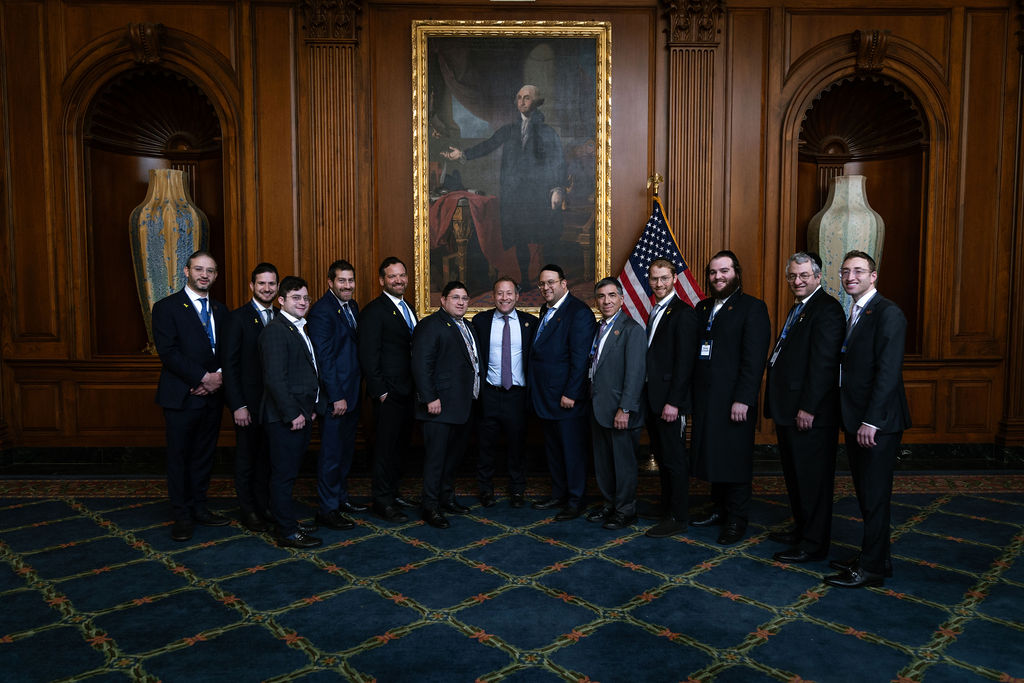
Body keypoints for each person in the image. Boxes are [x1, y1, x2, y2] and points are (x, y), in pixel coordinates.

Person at [824, 250, 911, 588]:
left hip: (877, 423)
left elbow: (888, 372)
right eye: (846, 271)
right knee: (866, 493)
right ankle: (877, 558)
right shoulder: (856, 311)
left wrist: (872, 421)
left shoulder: (888, 313)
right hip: (857, 417)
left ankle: (872, 568)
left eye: (859, 271)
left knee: (874, 496)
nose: (851, 277)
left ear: (873, 276)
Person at [764, 252, 845, 563]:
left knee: (812, 481)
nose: (797, 281)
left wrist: (809, 407)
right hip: (790, 408)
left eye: (804, 276)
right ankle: (802, 529)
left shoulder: (827, 309)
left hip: (810, 414)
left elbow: (824, 365)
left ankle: (813, 544)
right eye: (792, 276)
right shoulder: (801, 307)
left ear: (818, 277)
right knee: (796, 476)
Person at [442, 85, 566, 281]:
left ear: (536, 102)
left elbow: (558, 161)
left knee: (544, 237)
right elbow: (488, 145)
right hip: (514, 195)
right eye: (519, 97)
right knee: (520, 238)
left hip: (538, 195)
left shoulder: (547, 132)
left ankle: (551, 281)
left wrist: (557, 189)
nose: (522, 101)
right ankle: (525, 281)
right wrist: (463, 154)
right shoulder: (509, 130)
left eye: (527, 98)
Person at [690, 250, 771, 545]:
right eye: (713, 272)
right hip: (707, 399)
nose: (718, 277)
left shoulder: (753, 308)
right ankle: (719, 509)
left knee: (734, 458)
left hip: (735, 400)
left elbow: (754, 360)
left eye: (724, 271)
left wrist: (744, 398)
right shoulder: (702, 307)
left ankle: (737, 519)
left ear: (736, 273)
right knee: (714, 455)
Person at [152, 250, 230, 542]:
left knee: (203, 456)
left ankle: (200, 507)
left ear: (216, 275)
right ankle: (182, 515)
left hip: (212, 396)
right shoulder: (166, 307)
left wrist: (217, 378)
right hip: (182, 397)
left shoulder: (221, 310)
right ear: (186, 271)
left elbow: (226, 351)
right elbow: (168, 352)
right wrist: (202, 378)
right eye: (199, 269)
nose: (204, 275)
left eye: (210, 270)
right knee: (180, 458)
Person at [259, 276, 328, 548]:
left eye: (305, 298)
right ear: (281, 301)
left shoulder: (298, 328)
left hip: (302, 414)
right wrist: (293, 414)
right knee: (283, 475)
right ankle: (286, 531)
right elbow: (275, 379)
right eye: (296, 298)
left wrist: (310, 409)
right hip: (285, 419)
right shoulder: (276, 330)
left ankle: (286, 521)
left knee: (289, 473)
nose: (302, 302)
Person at [528, 264, 597, 521]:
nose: (546, 287)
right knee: (555, 451)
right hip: (546, 397)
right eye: (542, 284)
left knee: (572, 452)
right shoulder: (545, 310)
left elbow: (580, 359)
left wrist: (571, 393)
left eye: (551, 282)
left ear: (564, 283)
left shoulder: (578, 312)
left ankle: (576, 500)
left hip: (566, 399)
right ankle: (559, 494)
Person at [411, 281, 480, 528]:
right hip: (438, 408)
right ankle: (430, 507)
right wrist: (430, 398)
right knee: (436, 460)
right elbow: (421, 364)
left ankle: (446, 498)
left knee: (452, 458)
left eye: (464, 298)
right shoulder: (430, 325)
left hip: (461, 406)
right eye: (455, 298)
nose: (461, 302)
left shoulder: (467, 326)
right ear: (443, 300)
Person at [357, 257, 419, 523]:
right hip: (389, 395)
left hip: (408, 392)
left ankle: (393, 493)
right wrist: (380, 392)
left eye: (402, 275)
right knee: (384, 449)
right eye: (392, 276)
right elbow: (368, 355)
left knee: (400, 447)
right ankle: (382, 501)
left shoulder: (408, 308)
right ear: (382, 280)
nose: (399, 280)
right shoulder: (374, 311)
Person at [307, 259, 366, 531]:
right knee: (331, 455)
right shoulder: (322, 311)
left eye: (350, 280)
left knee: (345, 452)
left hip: (352, 393)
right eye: (342, 280)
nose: (347, 285)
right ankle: (327, 509)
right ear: (330, 282)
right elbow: (325, 359)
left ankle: (341, 499)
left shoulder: (352, 306)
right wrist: (336, 396)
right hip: (336, 398)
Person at [643, 259, 700, 538]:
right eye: (654, 279)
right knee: (663, 456)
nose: (659, 284)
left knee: (674, 459)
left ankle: (678, 516)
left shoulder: (683, 313)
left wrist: (674, 402)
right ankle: (667, 507)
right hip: (653, 398)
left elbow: (685, 364)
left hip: (670, 402)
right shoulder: (656, 310)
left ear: (675, 278)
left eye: (664, 278)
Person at [222, 262, 279, 532]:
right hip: (248, 405)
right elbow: (229, 365)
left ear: (277, 287)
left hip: (274, 406)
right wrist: (238, 405)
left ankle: (263, 505)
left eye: (271, 283)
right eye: (261, 283)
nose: (267, 288)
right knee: (247, 459)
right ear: (252, 286)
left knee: (267, 458)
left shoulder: (281, 316)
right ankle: (248, 510)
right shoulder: (237, 318)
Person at [472, 277, 539, 508]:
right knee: (485, 445)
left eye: (509, 293)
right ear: (493, 296)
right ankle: (485, 489)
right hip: (489, 394)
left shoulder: (530, 322)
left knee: (517, 445)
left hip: (517, 396)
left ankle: (517, 490)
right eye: (500, 293)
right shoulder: (480, 321)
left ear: (517, 296)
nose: (504, 298)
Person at [585, 278, 646, 530]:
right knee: (604, 464)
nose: (606, 301)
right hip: (599, 408)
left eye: (612, 295)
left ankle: (625, 510)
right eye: (601, 296)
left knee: (623, 465)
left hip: (620, 410)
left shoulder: (632, 329)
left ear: (621, 298)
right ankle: (610, 503)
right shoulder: (598, 328)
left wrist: (625, 408)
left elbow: (635, 374)